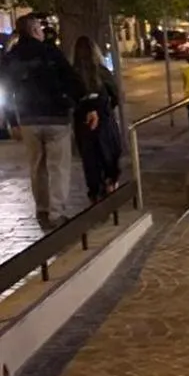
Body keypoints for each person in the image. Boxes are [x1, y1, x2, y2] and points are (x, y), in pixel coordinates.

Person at [0, 12, 89, 228]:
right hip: (56, 117)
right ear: (33, 30)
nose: (42, 31)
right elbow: (72, 79)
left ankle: (41, 209)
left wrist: (12, 121)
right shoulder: (50, 52)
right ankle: (56, 213)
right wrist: (74, 102)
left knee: (37, 166)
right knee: (58, 167)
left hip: (29, 119)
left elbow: (7, 89)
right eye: (39, 28)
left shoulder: (12, 57)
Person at [71, 37, 122, 202]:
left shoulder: (73, 74)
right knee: (109, 153)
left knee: (90, 159)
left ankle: (95, 191)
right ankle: (110, 182)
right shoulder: (102, 72)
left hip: (83, 125)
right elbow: (115, 94)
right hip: (105, 121)